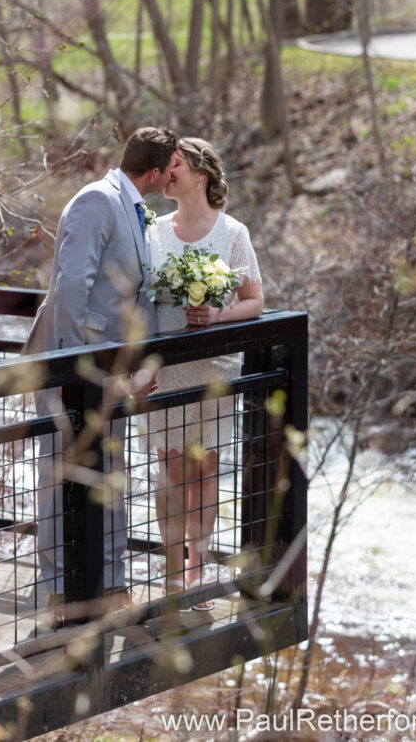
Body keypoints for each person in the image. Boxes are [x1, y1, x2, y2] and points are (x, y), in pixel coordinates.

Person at [24, 126, 179, 618]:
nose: (172, 179)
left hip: (113, 370)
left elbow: (135, 294)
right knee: (59, 475)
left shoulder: (133, 206)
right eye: (170, 171)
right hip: (74, 366)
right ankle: (57, 592)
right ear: (153, 173)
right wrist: (74, 371)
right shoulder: (97, 201)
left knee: (112, 473)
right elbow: (72, 288)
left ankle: (112, 585)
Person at [147, 137, 263, 612]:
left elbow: (255, 301)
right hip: (166, 370)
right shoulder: (153, 231)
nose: (165, 171)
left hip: (215, 370)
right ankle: (173, 576)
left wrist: (218, 316)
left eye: (174, 164)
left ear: (201, 174)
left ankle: (197, 572)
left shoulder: (233, 233)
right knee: (171, 471)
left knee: (205, 471)